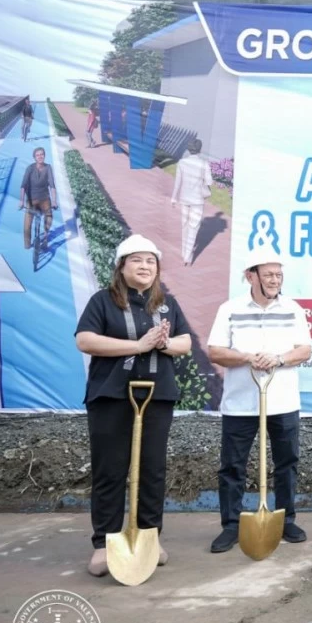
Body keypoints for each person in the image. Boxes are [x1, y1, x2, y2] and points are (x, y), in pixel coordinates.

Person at [74, 234, 192, 577]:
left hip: (157, 396)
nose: (145, 267)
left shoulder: (166, 304)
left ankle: (148, 537)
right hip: (111, 396)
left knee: (152, 470)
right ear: (121, 266)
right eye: (137, 260)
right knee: (110, 469)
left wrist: (163, 342)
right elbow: (85, 339)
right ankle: (104, 543)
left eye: (151, 261)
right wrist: (138, 345)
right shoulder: (103, 301)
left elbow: (184, 342)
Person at [207, 248, 312, 553]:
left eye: (278, 275)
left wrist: (278, 358)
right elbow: (215, 351)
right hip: (240, 404)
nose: (274, 280)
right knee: (232, 466)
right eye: (268, 275)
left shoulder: (293, 309)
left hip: (283, 402)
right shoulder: (230, 309)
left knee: (287, 463)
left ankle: (286, 519)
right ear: (250, 276)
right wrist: (247, 357)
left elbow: (303, 350)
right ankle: (231, 525)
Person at [171, 137, 213, 266]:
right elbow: (209, 182)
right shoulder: (204, 164)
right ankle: (187, 257)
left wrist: (173, 197)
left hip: (184, 199)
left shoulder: (182, 163)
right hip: (197, 200)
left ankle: (184, 252)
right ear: (199, 149)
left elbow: (178, 182)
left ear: (189, 149)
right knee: (193, 227)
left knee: (184, 225)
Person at [19, 147, 57, 251]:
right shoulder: (30, 168)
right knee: (27, 224)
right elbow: (23, 185)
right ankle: (27, 243)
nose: (40, 156)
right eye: (38, 155)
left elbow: (52, 185)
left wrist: (54, 200)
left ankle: (45, 239)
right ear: (34, 157)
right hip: (32, 200)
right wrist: (21, 200)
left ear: (44, 155)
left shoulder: (48, 167)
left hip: (45, 199)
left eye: (42, 154)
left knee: (49, 217)